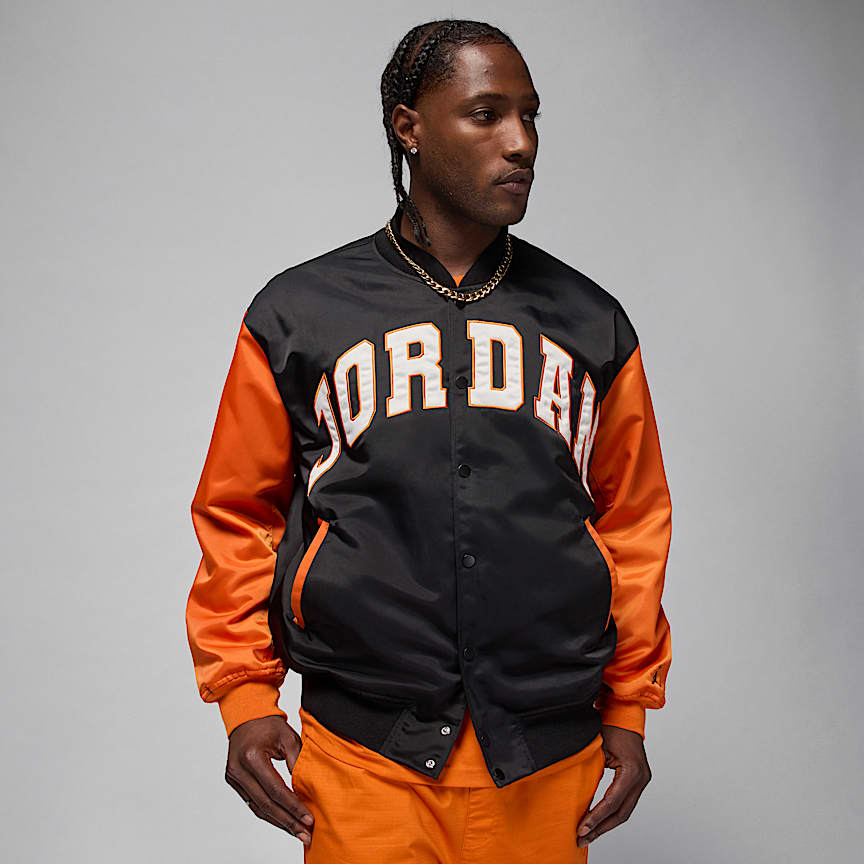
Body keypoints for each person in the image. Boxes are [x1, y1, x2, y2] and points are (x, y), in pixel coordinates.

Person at [186, 18, 672, 863]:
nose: (521, 142)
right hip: (363, 757)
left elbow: (633, 522)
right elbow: (238, 513)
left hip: (547, 757)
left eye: (530, 116)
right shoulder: (299, 314)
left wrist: (628, 706)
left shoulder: (592, 322)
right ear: (409, 127)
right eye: (487, 114)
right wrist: (244, 696)